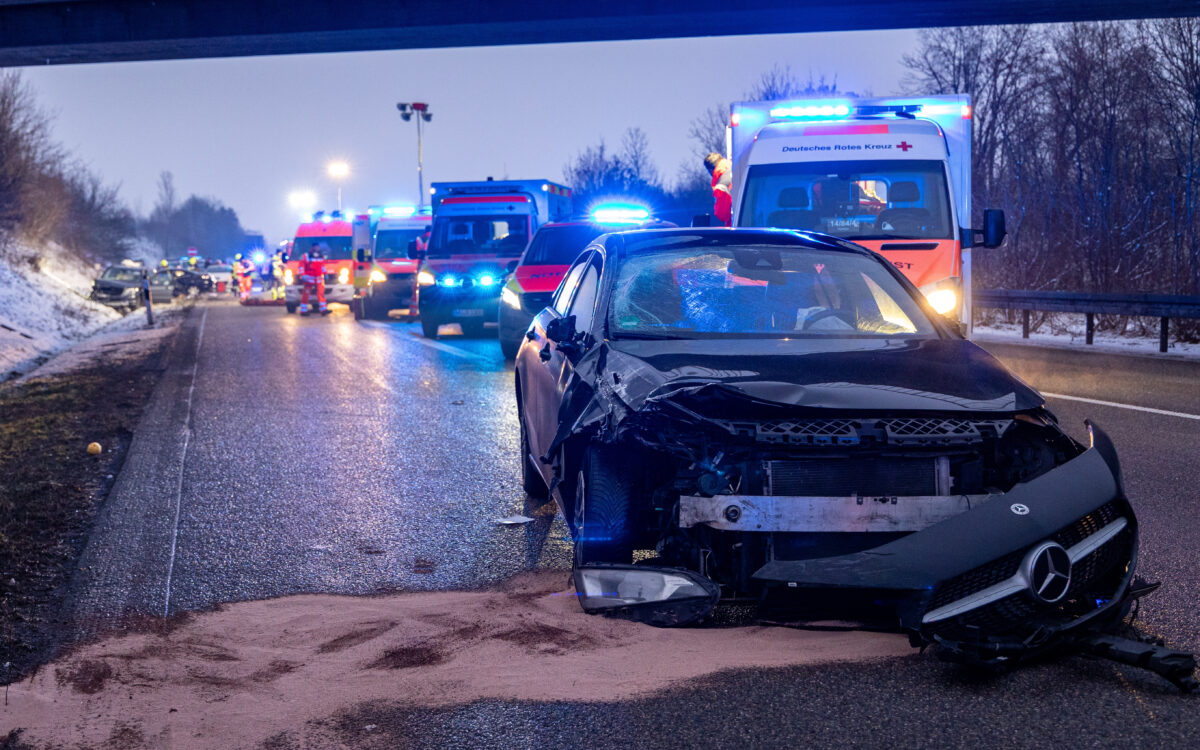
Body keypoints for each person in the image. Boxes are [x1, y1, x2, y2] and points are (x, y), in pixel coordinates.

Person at [298, 243, 329, 316]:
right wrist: (302, 275)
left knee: (321, 293)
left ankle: (323, 309)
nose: (317, 248)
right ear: (312, 247)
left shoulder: (321, 256)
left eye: (318, 247)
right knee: (306, 294)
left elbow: (322, 266)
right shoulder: (306, 256)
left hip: (318, 278)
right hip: (309, 278)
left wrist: (325, 273)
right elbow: (301, 266)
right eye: (316, 247)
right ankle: (303, 310)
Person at [704, 152, 733, 227]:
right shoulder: (735, 168)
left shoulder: (721, 185)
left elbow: (722, 214)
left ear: (710, 170)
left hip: (736, 227)